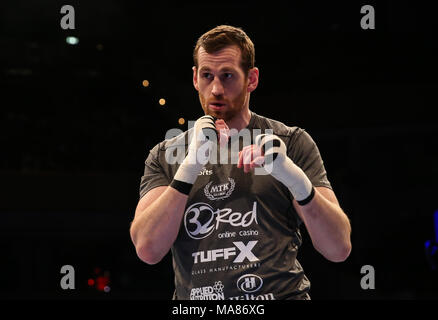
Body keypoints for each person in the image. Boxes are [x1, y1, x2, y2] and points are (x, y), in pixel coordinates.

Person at [129, 25, 351, 300]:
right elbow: (148, 250)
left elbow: (338, 248)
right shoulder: (166, 154)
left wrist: (291, 175)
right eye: (208, 76)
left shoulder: (290, 142)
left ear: (252, 78)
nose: (217, 89)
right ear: (196, 78)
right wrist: (190, 166)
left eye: (228, 76)